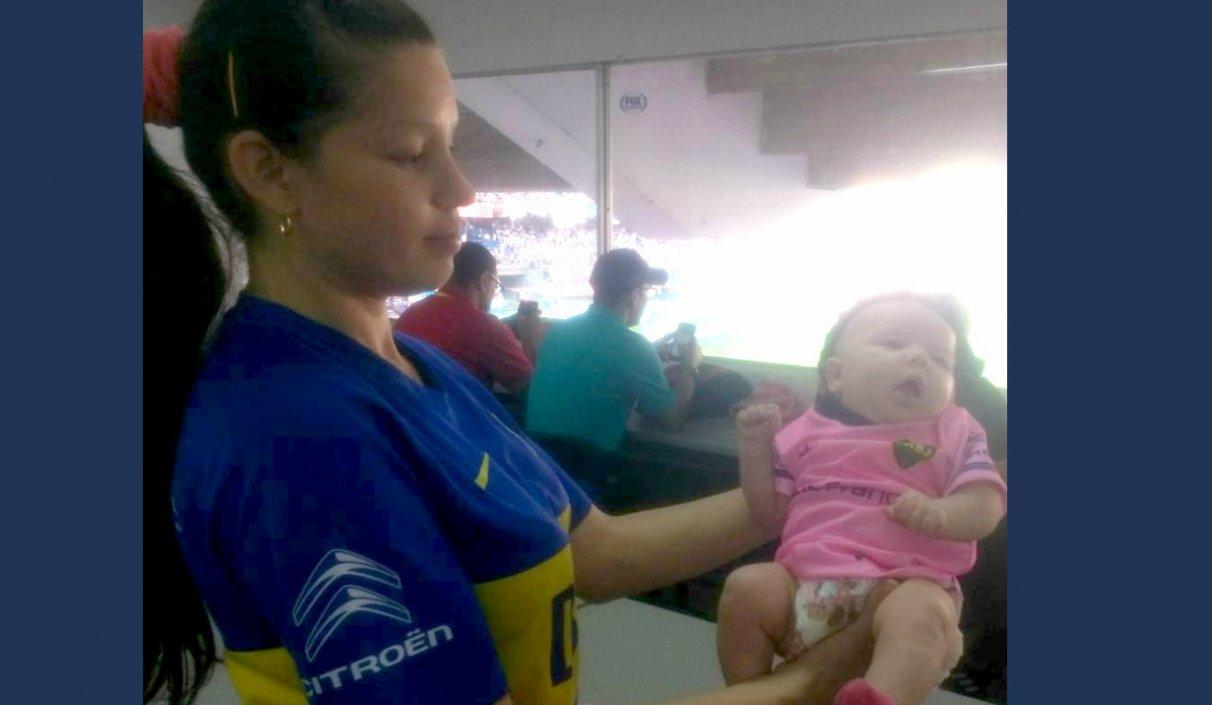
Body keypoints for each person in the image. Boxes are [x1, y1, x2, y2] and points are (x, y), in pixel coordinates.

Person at [142, 5, 959, 705]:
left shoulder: (416, 367)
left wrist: (802, 491)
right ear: (269, 171)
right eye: (412, 152)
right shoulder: (300, 436)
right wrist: (809, 682)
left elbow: (593, 551)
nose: (463, 187)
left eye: (452, 144)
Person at [717, 293, 1005, 705]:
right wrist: (754, 446)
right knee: (746, 586)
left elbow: (987, 503)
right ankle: (749, 692)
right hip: (804, 588)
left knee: (923, 612)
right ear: (837, 376)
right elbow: (768, 513)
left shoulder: (957, 431)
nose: (920, 359)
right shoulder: (805, 432)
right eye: (894, 343)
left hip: (907, 586)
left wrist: (943, 513)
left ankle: (879, 697)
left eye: (941, 360)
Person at [526, 248, 701, 453]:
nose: (646, 298)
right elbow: (672, 420)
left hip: (536, 462)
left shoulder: (557, 331)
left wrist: (650, 352)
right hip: (586, 467)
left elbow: (595, 362)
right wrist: (690, 364)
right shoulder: (633, 347)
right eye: (646, 290)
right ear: (633, 295)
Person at [395, 241, 539, 392]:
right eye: (496, 284)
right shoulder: (485, 327)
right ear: (485, 281)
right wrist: (530, 339)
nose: (494, 292)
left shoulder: (410, 314)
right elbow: (533, 393)